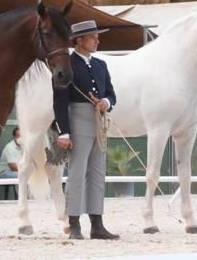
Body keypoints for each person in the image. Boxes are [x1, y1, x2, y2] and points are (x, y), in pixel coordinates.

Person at [53, 20, 118, 241]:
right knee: (77, 173)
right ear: (80, 40)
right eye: (93, 37)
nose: (97, 40)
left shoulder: (100, 65)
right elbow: (60, 101)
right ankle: (74, 223)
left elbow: (111, 94)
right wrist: (64, 132)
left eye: (97, 36)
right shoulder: (68, 64)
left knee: (98, 173)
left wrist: (106, 103)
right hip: (77, 119)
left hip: (98, 120)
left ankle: (97, 223)